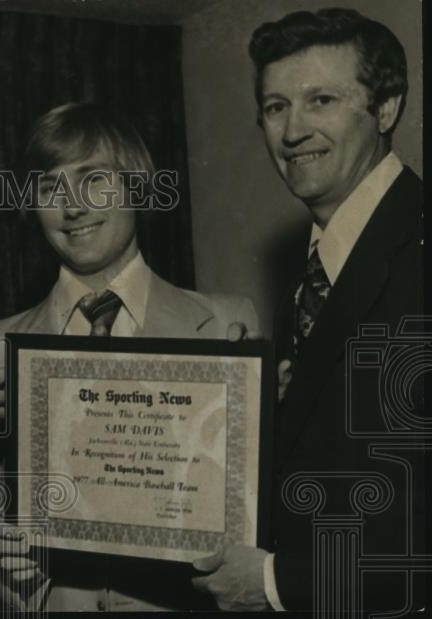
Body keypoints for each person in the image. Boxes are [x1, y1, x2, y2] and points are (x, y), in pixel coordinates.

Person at [0, 102, 259, 611]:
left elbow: (252, 540)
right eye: (49, 187)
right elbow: (0, 563)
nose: (72, 207)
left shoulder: (226, 326)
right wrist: (14, 570)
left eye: (93, 180)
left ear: (136, 185)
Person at [191, 8, 424, 612]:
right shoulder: (316, 268)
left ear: (387, 108)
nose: (292, 131)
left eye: (321, 99)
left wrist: (275, 582)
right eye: (275, 107)